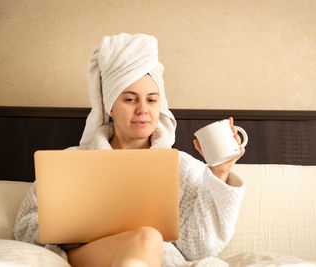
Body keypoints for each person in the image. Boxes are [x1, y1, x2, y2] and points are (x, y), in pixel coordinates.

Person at [14, 33, 246, 267]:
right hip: (87, 257)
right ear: (111, 107)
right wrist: (82, 227)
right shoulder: (70, 162)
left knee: (173, 248)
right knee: (149, 236)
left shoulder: (182, 168)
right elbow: (25, 227)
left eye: (152, 100)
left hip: (154, 260)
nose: (143, 110)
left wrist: (219, 173)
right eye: (130, 99)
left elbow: (199, 247)